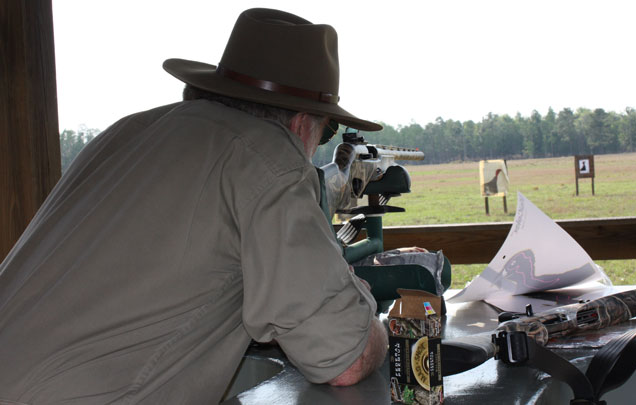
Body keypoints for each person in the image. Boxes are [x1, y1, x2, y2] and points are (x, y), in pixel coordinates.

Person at [0, 8, 387, 404]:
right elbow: (345, 360)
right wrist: (381, 329)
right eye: (328, 128)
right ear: (302, 123)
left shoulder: (127, 132)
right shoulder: (270, 159)